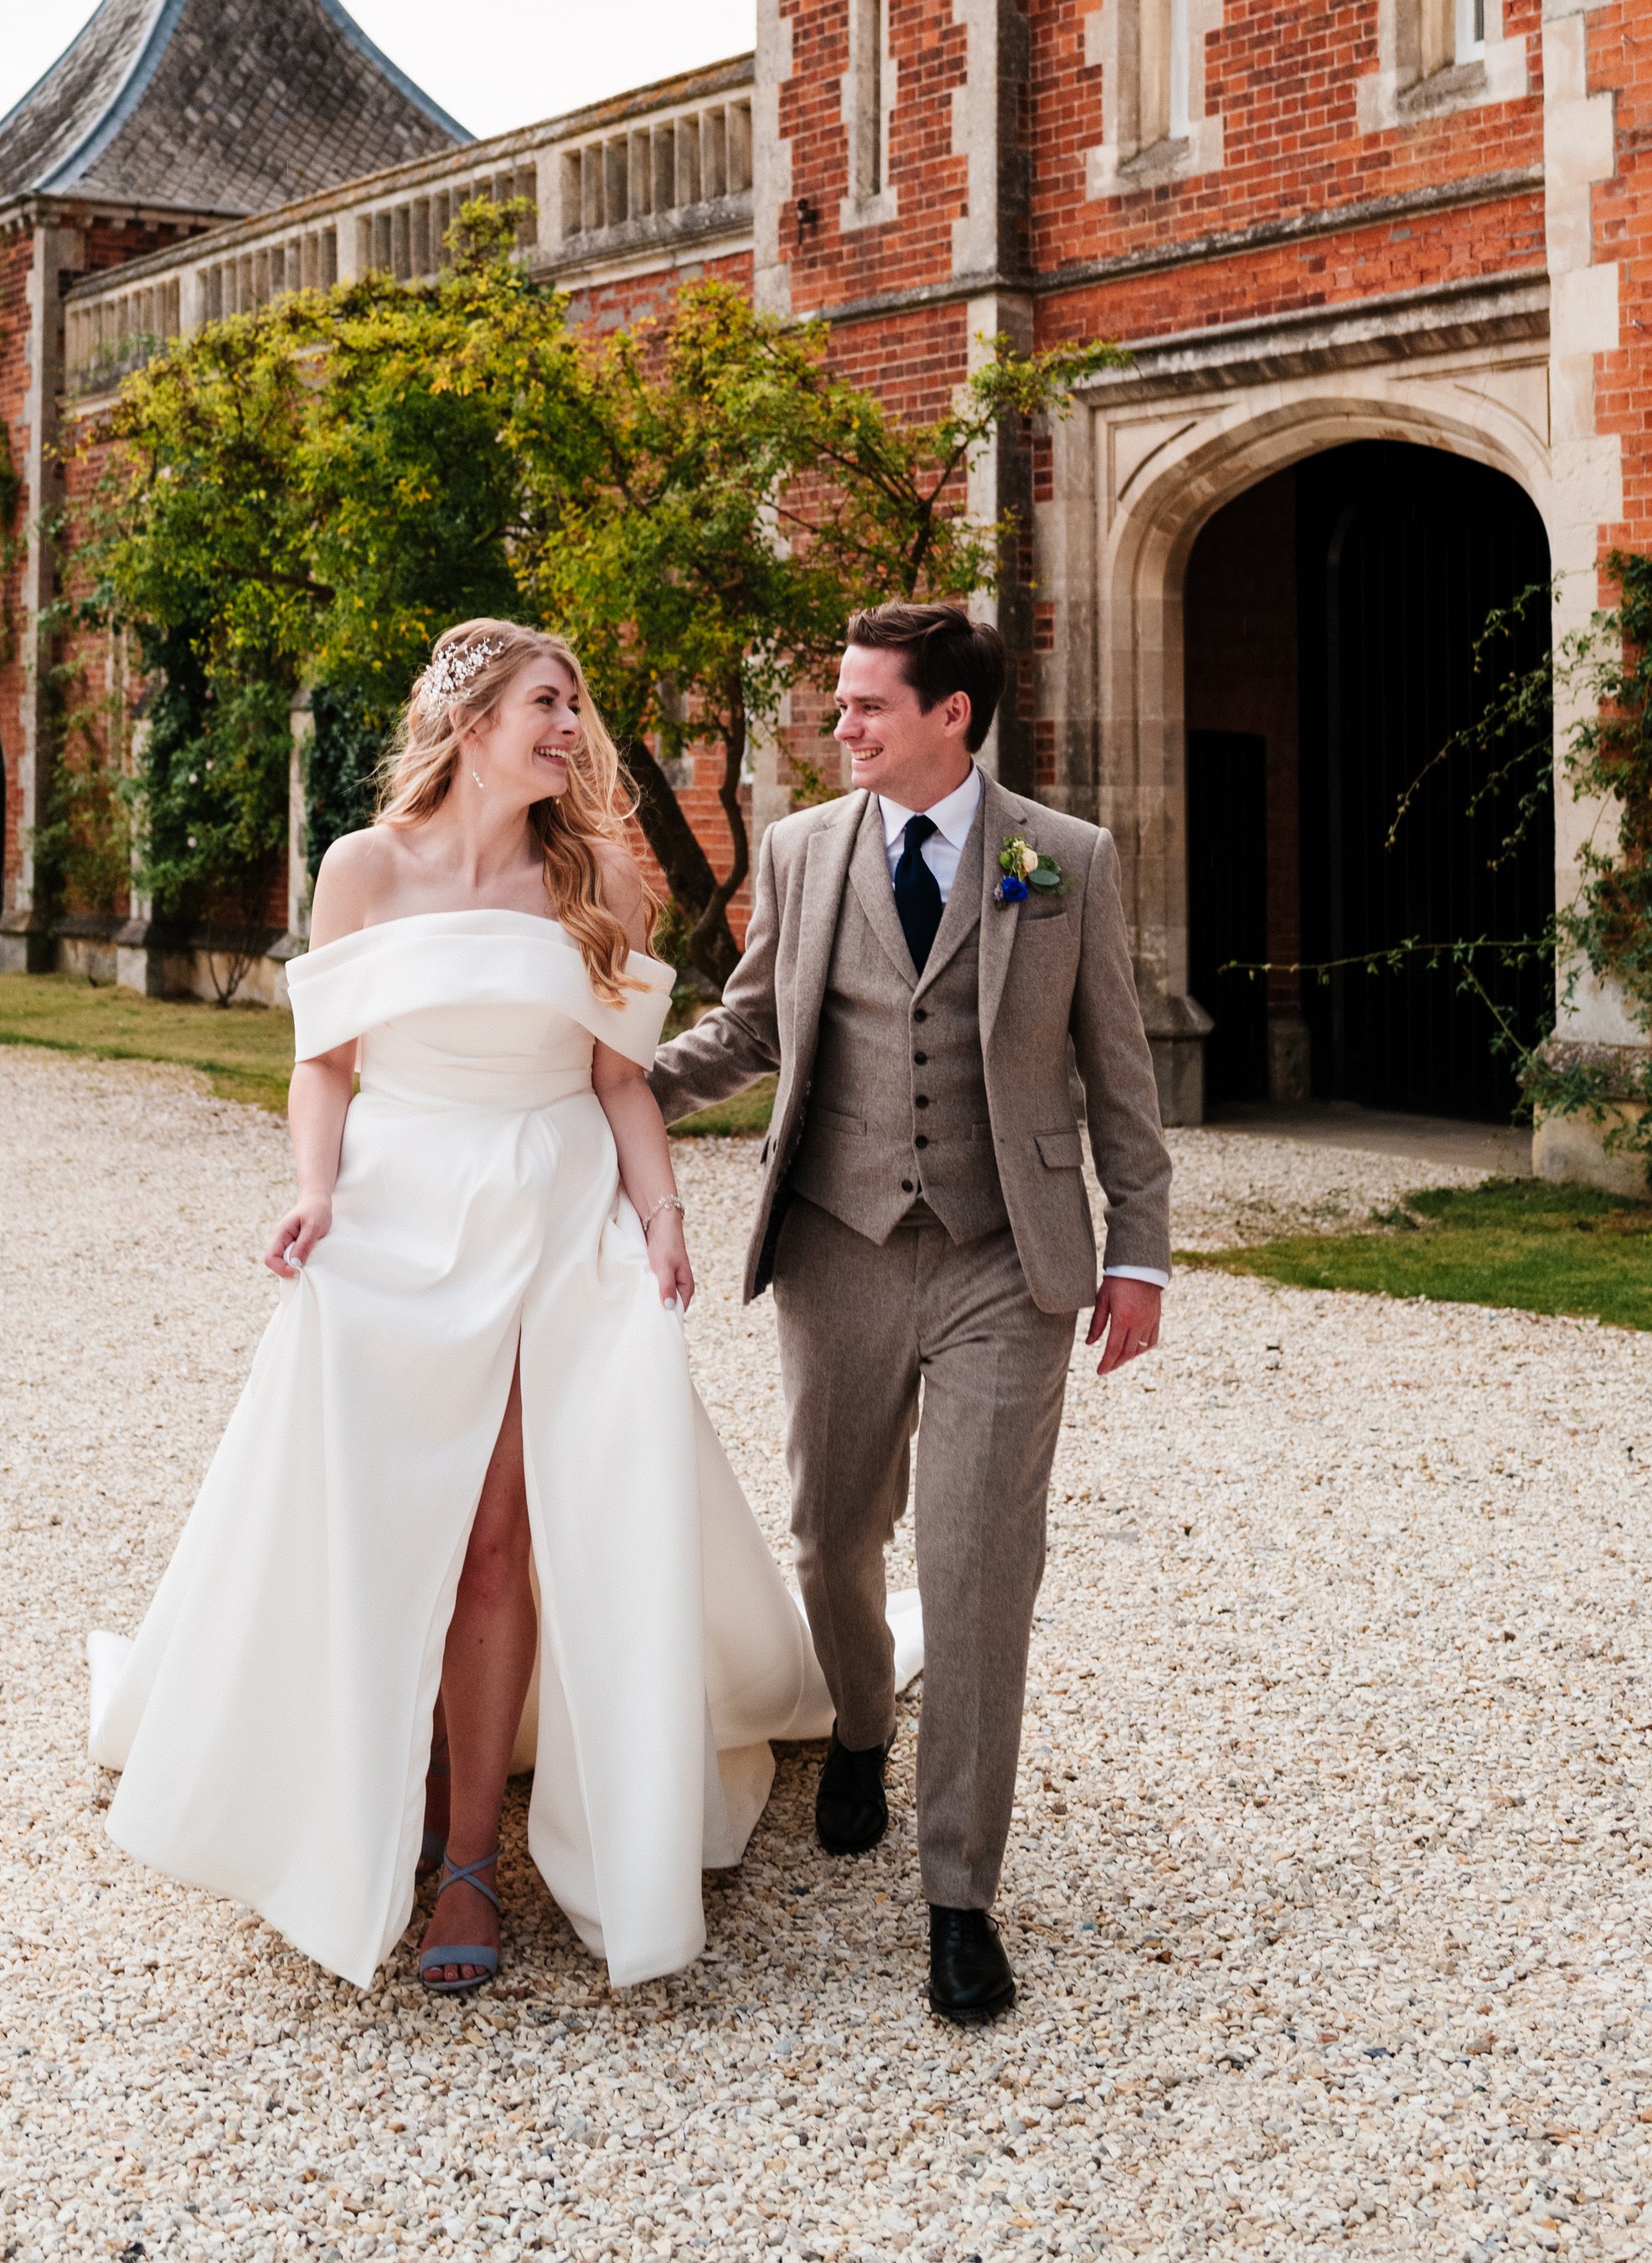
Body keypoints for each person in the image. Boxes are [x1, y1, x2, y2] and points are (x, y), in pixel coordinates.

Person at [85, 617, 860, 1995]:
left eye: (575, 706)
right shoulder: (362, 869)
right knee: (391, 1525)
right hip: (396, 1212)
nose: (573, 728)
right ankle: (344, 1794)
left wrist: (663, 1220)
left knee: (502, 1537)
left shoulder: (601, 874)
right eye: (549, 704)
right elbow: (324, 1064)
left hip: (557, 1213)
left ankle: (464, 1868)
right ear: (470, 721)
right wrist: (315, 1192)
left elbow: (623, 1080)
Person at [647, 597, 1172, 2028]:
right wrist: (617, 1088)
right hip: (838, 1245)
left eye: (867, 704)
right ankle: (865, 1725)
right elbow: (751, 1026)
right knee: (832, 1532)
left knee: (979, 1559)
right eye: (841, 704)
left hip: (1011, 1256)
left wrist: (1143, 1252)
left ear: (952, 713)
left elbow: (1118, 1070)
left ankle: (961, 1899)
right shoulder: (803, 850)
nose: (842, 727)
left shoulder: (1062, 861)